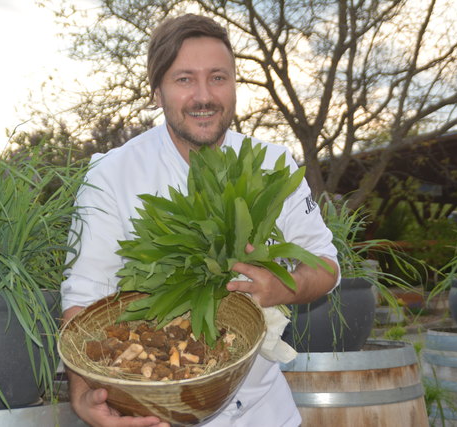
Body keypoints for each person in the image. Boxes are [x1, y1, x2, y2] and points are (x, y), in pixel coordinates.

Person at [61, 13, 340, 427]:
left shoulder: (272, 163)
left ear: (234, 86)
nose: (204, 96)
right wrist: (85, 395)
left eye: (218, 78)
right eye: (184, 79)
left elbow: (326, 264)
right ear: (157, 91)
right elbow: (82, 298)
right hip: (155, 410)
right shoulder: (111, 175)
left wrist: (286, 285)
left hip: (263, 411)